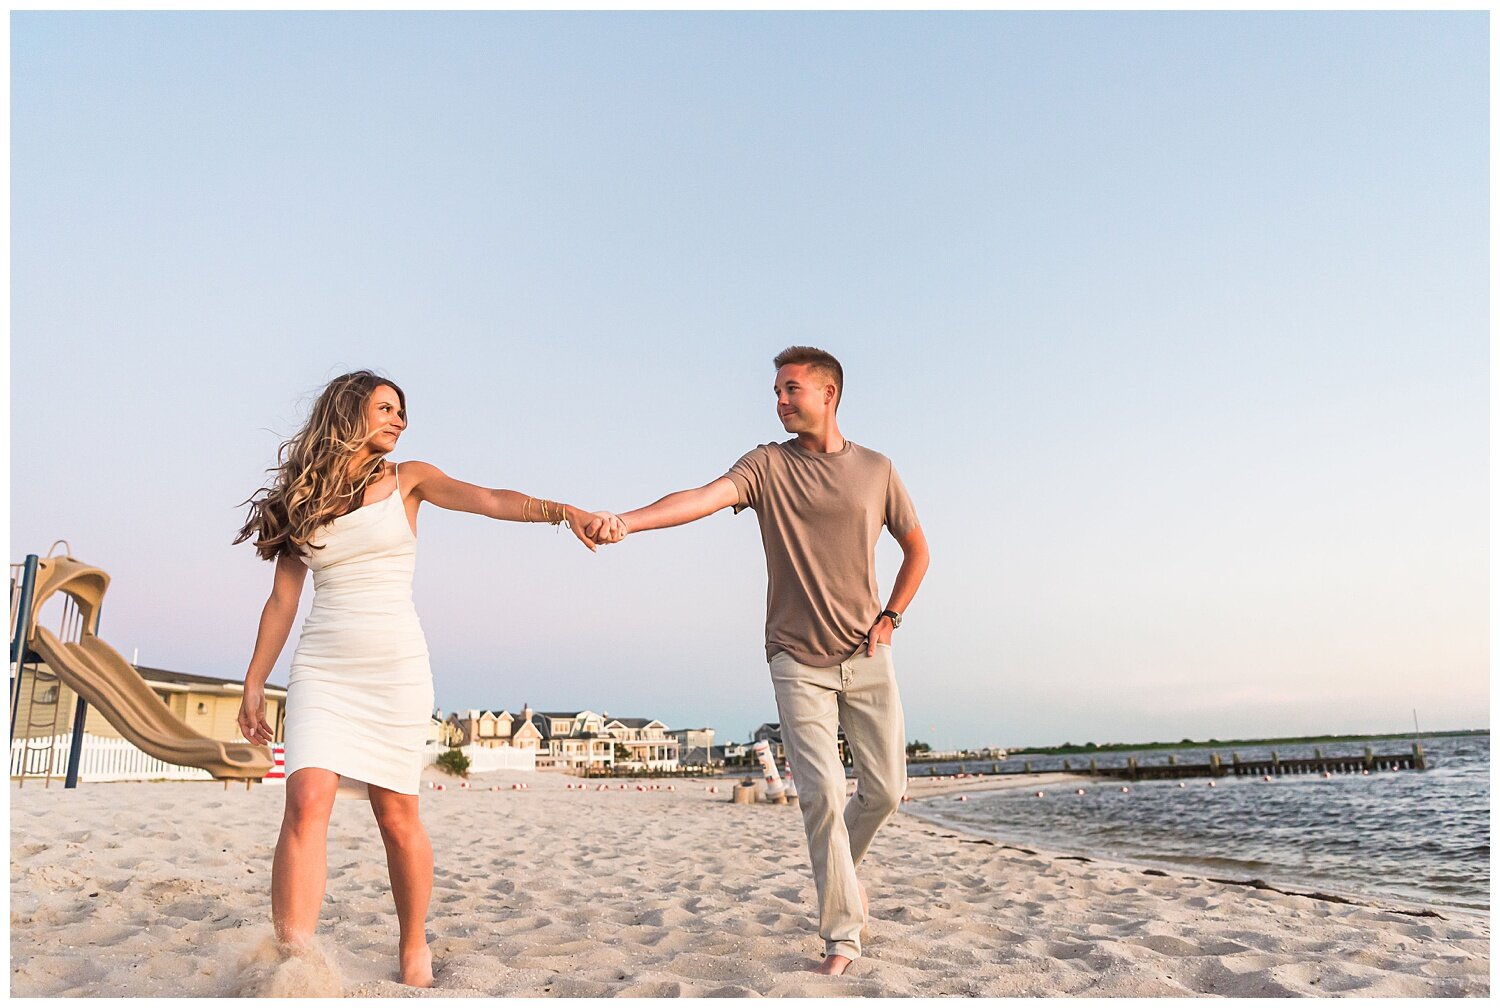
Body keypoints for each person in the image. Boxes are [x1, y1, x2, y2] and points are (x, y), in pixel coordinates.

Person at [234, 370, 622, 987]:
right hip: (323, 666)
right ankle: (294, 962)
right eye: (385, 408)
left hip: (395, 667)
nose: (399, 420)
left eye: (402, 411)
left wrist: (564, 512)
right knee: (306, 801)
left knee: (396, 814)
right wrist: (255, 681)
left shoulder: (407, 479)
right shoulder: (301, 499)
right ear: (346, 412)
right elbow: (282, 602)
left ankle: (413, 941)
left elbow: (492, 499)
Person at [587, 346, 930, 975]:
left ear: (829, 394)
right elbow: (703, 496)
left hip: (866, 651)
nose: (778, 401)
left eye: (790, 389)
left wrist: (890, 619)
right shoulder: (766, 465)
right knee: (824, 791)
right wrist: (628, 523)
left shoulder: (877, 469)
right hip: (796, 656)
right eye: (775, 390)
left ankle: (842, 882)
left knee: (885, 790)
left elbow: (917, 549)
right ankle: (842, 935)